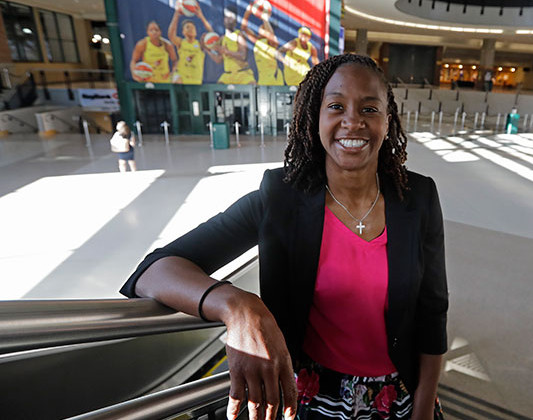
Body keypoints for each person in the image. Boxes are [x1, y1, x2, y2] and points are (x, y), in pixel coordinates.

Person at [120, 54, 448, 420]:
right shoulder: (279, 197)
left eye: (370, 108)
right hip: (309, 397)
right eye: (336, 105)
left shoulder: (418, 198)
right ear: (315, 118)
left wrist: (422, 406)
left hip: (399, 395)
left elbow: (432, 311)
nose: (352, 121)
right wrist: (237, 305)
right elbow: (152, 271)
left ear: (388, 121)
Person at [168, 3, 215, 84]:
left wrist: (201, 16)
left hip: (195, 81)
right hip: (181, 79)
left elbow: (212, 35)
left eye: (193, 27)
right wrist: (176, 15)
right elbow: (171, 35)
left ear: (196, 32)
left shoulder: (200, 45)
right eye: (187, 27)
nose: (191, 29)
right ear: (183, 32)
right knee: (176, 79)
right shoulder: (181, 42)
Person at [210, 5, 256, 85]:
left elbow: (243, 56)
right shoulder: (222, 39)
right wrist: (208, 50)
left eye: (232, 17)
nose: (229, 20)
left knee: (253, 88)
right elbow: (219, 60)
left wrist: (227, 52)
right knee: (216, 91)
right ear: (224, 19)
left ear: (235, 20)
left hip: (242, 74)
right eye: (227, 17)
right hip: (228, 75)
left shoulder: (239, 35)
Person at [241, 5, 283, 85]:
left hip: (274, 79)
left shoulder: (272, 42)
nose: (260, 27)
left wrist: (265, 19)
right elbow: (244, 28)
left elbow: (271, 35)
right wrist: (247, 13)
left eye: (262, 27)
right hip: (262, 79)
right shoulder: (257, 40)